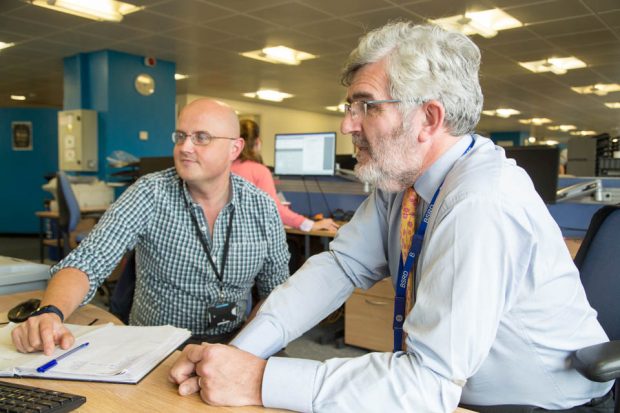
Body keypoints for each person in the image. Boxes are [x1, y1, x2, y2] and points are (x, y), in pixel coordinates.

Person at [168, 23, 614, 412]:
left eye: (366, 105)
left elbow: (426, 384)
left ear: (428, 118)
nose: (347, 125)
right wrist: (231, 357)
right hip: (450, 393)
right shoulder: (403, 182)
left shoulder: (480, 202)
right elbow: (341, 266)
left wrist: (259, 380)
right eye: (349, 107)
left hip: (537, 405)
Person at [12, 98, 290, 355]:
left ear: (235, 148)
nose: (185, 147)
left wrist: (242, 349)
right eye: (180, 136)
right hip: (155, 346)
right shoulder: (149, 193)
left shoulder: (262, 208)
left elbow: (275, 292)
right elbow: (89, 260)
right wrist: (50, 312)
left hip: (235, 341)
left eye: (201, 137)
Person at [231, 119, 339, 233]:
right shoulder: (259, 171)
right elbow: (275, 210)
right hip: (250, 239)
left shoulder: (224, 168)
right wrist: (311, 224)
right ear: (257, 142)